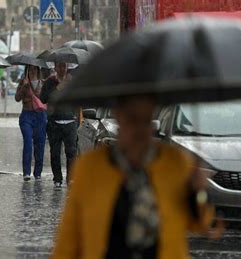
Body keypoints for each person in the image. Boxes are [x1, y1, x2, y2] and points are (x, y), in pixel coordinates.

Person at [52, 95, 214, 259]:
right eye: (132, 120)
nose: (139, 130)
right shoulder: (90, 167)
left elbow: (201, 223)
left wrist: (199, 192)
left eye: (145, 121)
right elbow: (68, 239)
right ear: (119, 120)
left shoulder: (175, 163)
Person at [40, 62, 78, 188]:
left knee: (71, 152)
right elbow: (43, 99)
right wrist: (59, 88)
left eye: (64, 66)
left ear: (67, 67)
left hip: (70, 122)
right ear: (55, 67)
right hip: (54, 123)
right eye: (59, 66)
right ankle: (57, 178)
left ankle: (70, 178)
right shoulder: (50, 82)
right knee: (55, 153)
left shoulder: (72, 82)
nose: (62, 69)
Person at [15, 65, 47, 181]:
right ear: (27, 70)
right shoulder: (23, 82)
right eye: (30, 69)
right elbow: (17, 98)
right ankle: (26, 172)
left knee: (40, 145)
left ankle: (38, 173)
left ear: (38, 70)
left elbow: (46, 99)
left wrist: (38, 92)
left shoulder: (43, 83)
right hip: (26, 116)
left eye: (34, 69)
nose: (32, 71)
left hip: (40, 116)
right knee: (28, 142)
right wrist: (24, 87)